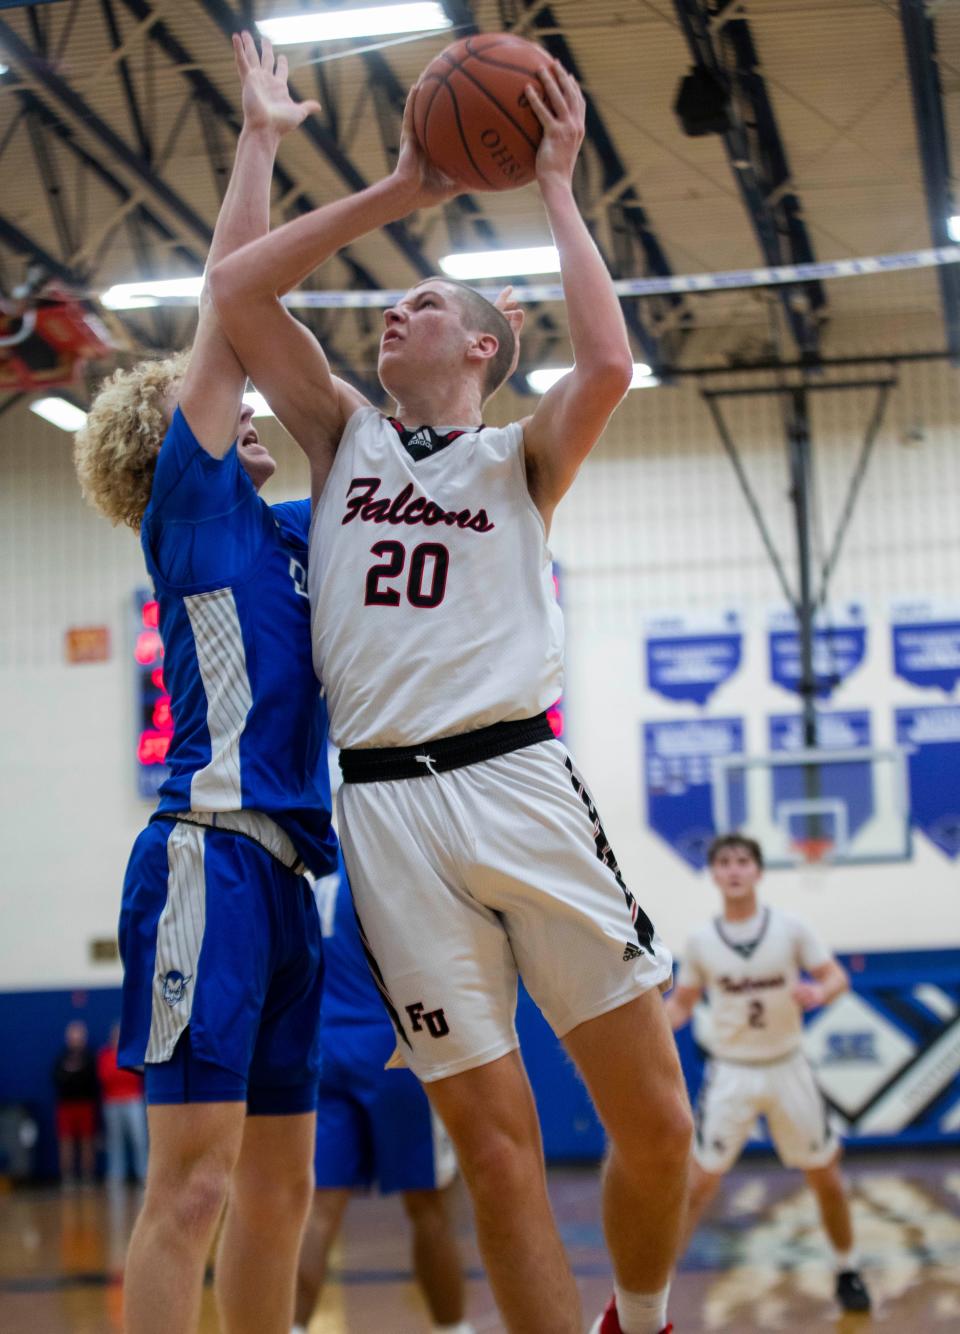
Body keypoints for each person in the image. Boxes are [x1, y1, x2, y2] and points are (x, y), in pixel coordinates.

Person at [209, 52, 691, 1334]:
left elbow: (603, 366)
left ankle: (635, 1318)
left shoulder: (516, 456)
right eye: (390, 306)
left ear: (482, 343)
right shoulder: (340, 432)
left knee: (660, 1127)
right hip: (386, 817)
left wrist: (555, 187)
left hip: (519, 781)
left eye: (421, 302)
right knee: (493, 1149)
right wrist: (398, 189)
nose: (391, 314)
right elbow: (236, 289)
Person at [73, 35, 335, 1334]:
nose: (235, 402)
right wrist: (259, 142)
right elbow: (234, 308)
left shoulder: (284, 542)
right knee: (193, 1194)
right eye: (208, 398)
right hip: (206, 861)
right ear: (175, 431)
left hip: (290, 880)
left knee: (281, 1192)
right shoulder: (191, 513)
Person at [664, 833, 871, 1314]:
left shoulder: (791, 928)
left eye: (742, 861)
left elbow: (836, 976)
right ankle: (656, 1287)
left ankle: (848, 1267)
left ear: (758, 872)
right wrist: (645, 1026)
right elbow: (681, 1007)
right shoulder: (699, 940)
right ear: (714, 875)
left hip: (787, 1065)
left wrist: (822, 993)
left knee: (826, 1176)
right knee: (697, 1185)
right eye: (724, 863)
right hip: (732, 1072)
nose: (734, 870)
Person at [292, 857, 474, 1334]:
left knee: (316, 1211)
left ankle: (290, 1326)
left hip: (322, 1049)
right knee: (428, 1207)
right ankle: (452, 1328)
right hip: (392, 1050)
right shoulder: (384, 866)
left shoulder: (309, 878)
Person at [97, 1023, 149, 1188]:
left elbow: (137, 1075)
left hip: (133, 1100)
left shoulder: (133, 1052)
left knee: (139, 1138)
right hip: (112, 1102)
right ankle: (116, 1174)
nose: (117, 1037)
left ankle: (144, 1173)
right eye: (115, 1034)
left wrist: (122, 1077)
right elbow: (105, 1076)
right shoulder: (104, 1055)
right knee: (115, 1141)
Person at [53, 1019, 99, 1188]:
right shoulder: (61, 1058)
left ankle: (87, 1176)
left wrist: (75, 1077)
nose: (75, 1039)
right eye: (73, 1035)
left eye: (78, 1035)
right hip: (65, 1107)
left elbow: (92, 1081)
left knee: (87, 1142)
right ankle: (68, 1177)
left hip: (86, 1105)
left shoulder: (90, 1057)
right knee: (66, 1143)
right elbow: (58, 1079)